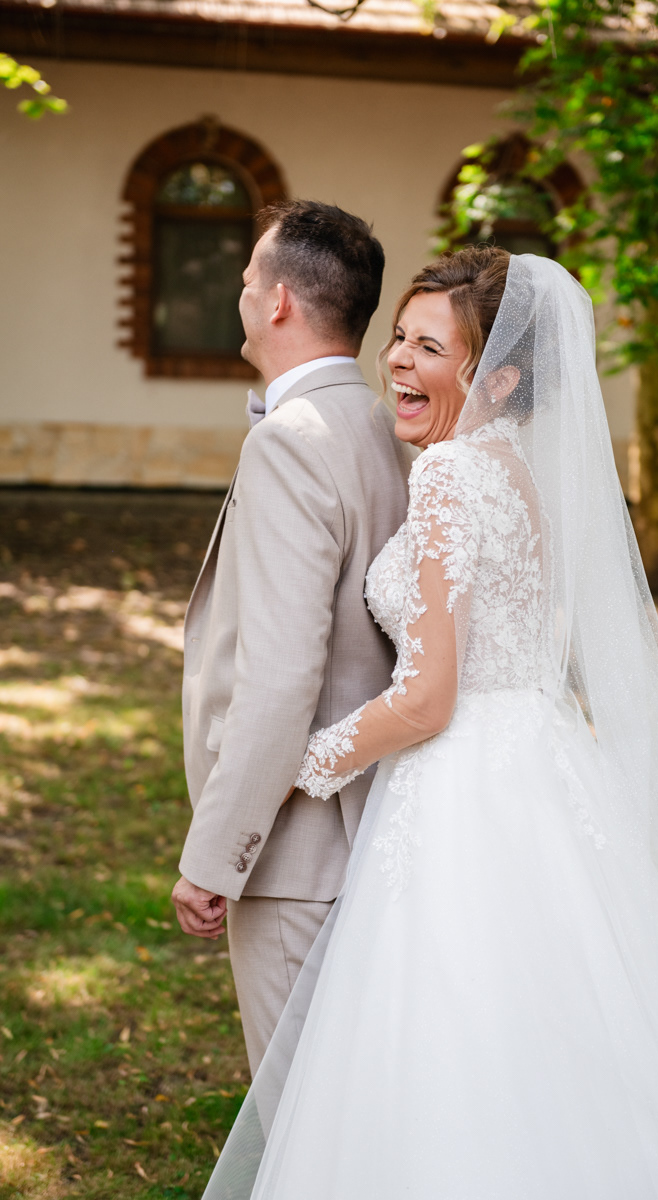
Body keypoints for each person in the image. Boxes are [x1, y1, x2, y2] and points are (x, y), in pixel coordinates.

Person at [202, 248, 658, 1199]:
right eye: (400, 337)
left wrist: (297, 765)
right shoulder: (521, 469)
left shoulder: (447, 475)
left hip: (462, 783)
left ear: (499, 376)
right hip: (545, 761)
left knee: (456, 1024)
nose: (399, 360)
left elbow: (428, 695)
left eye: (430, 348)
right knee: (572, 1019)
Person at [172, 200, 409, 1077]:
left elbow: (279, 681)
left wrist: (214, 858)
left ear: (277, 301)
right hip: (374, 826)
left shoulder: (293, 441)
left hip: (298, 854)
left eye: (245, 280)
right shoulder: (384, 427)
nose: (240, 295)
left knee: (301, 1116)